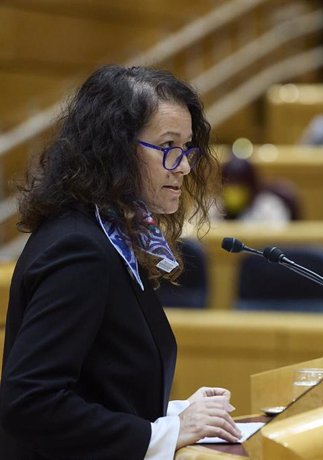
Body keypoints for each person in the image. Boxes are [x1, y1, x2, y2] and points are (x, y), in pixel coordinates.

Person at [0, 65, 242, 459]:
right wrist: (167, 433)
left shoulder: (113, 238)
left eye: (186, 149)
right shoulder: (80, 249)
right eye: (168, 147)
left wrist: (177, 415)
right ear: (115, 151)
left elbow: (97, 385)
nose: (182, 166)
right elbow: (30, 402)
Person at [220, 154, 295, 223]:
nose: (235, 190)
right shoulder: (214, 209)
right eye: (230, 183)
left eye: (240, 184)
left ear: (252, 185)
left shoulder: (270, 208)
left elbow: (280, 234)